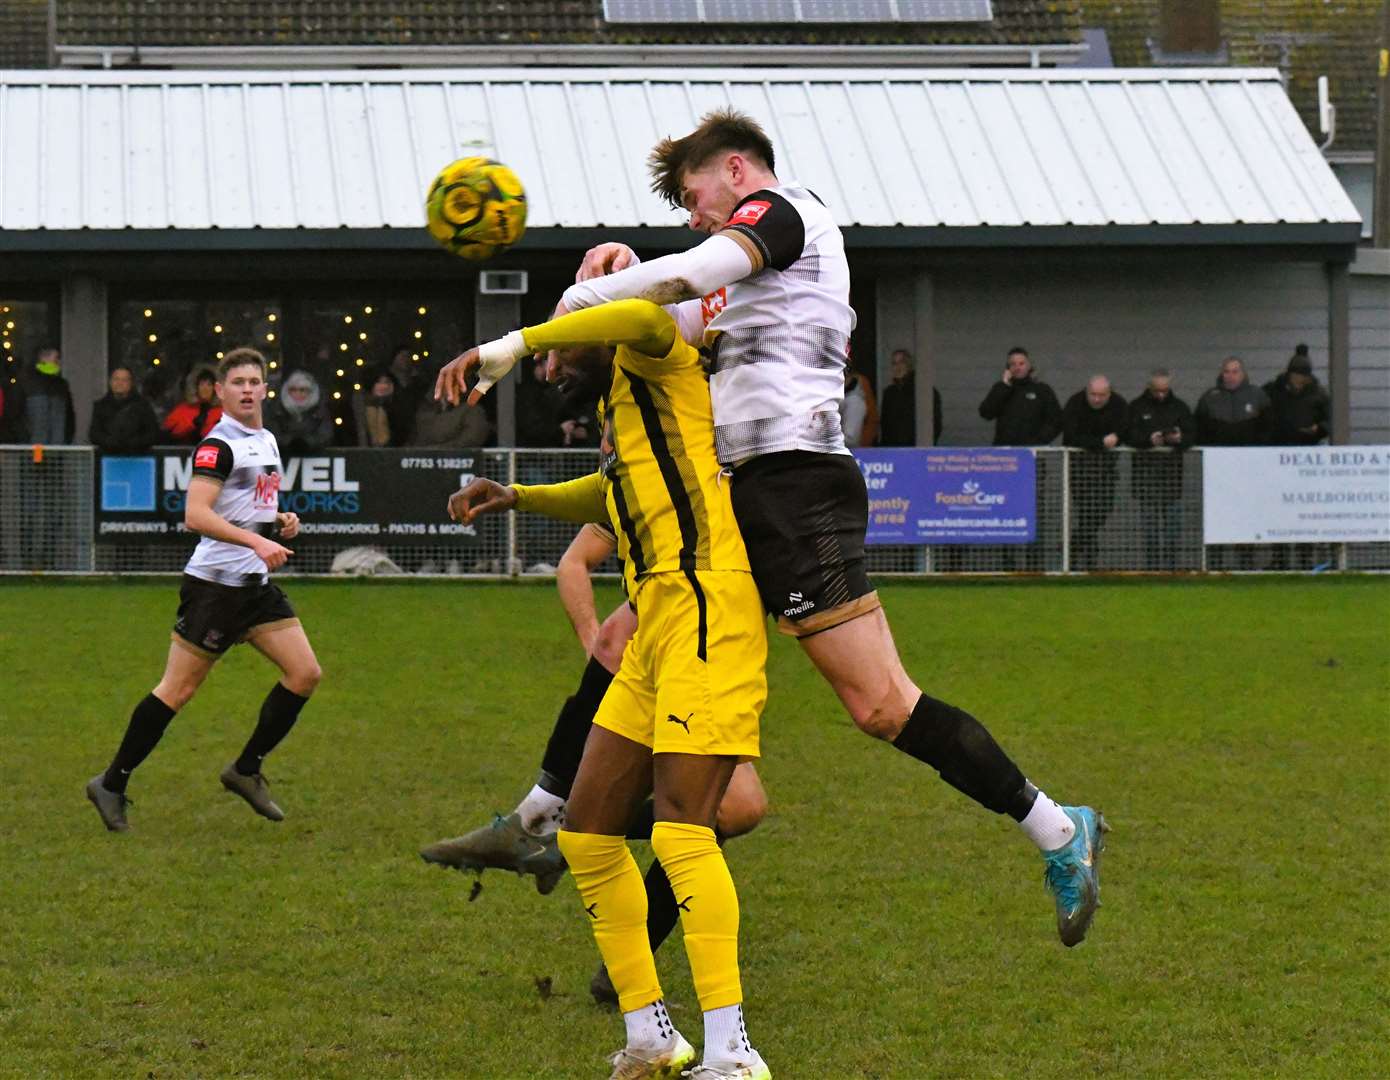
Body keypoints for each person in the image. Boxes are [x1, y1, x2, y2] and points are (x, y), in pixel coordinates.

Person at [438, 108, 1106, 955]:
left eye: (693, 193)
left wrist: (549, 317)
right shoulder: (735, 283)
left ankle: (1057, 828)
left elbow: (678, 279)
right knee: (621, 641)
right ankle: (544, 822)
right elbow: (659, 319)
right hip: (743, 495)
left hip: (797, 487)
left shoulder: (788, 215)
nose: (692, 213)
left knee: (881, 705)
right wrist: (617, 275)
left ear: (739, 171)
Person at [440, 298, 773, 1080]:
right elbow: (613, 495)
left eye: (563, 347)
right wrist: (520, 497)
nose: (554, 367)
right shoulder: (625, 414)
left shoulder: (658, 351)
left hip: (707, 604)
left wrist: (512, 345)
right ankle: (652, 1036)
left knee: (686, 831)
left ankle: (732, 1051)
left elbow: (641, 314)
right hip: (658, 616)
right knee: (587, 835)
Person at [421, 521, 768, 1009]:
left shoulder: (699, 476)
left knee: (737, 810)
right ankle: (549, 835)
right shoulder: (636, 472)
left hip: (704, 649)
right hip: (676, 665)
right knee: (721, 813)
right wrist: (595, 646)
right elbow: (575, 564)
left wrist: (524, 499)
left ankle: (550, 834)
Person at [85, 348, 322, 832]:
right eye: (238, 382)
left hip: (253, 587)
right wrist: (257, 540)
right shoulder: (218, 445)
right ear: (219, 391)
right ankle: (111, 783)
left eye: (255, 381)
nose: (248, 389)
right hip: (214, 588)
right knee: (178, 690)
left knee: (305, 673)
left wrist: (278, 520)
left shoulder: (268, 439)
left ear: (265, 388)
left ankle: (246, 769)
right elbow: (197, 515)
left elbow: (246, 504)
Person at [1195, 356, 1269, 569]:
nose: (1231, 375)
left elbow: (1268, 429)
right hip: (1218, 471)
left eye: (1235, 371)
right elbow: (1200, 429)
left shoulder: (1258, 396)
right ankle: (1215, 564)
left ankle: (1246, 563)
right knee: (1217, 515)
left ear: (1243, 373)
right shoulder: (1210, 398)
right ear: (1222, 373)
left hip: (1250, 470)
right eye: (1227, 371)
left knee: (1246, 515)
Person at [1264, 346, 1331, 569]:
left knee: (1304, 511)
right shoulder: (1273, 391)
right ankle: (1279, 558)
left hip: (1305, 460)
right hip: (1278, 457)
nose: (1301, 380)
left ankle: (1305, 558)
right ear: (1290, 373)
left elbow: (1331, 421)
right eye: (1298, 376)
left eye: (1304, 376)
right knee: (1278, 509)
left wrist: (1318, 429)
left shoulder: (1320, 394)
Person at [1126, 370, 1194, 571]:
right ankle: (1152, 569)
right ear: (1149, 387)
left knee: (1173, 529)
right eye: (1157, 390)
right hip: (1145, 480)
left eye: (1165, 390)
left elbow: (1192, 434)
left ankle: (1172, 569)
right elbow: (1128, 434)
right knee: (1150, 532)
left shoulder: (1180, 407)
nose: (1161, 394)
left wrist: (1179, 439)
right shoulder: (1136, 407)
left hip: (1172, 480)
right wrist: (1149, 440)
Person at [1061, 376, 1128, 572]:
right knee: (1086, 513)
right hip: (1080, 469)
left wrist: (1118, 436)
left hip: (1106, 470)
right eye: (1093, 395)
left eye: (1102, 396)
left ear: (1110, 393)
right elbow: (1071, 435)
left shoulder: (1119, 404)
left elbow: (1126, 428)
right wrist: (1100, 442)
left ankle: (1074, 547)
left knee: (1101, 512)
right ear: (1086, 391)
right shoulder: (1074, 403)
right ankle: (1084, 558)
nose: (1097, 400)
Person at [978, 347, 1062, 448]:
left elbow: (1056, 421)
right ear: (1008, 368)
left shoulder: (1042, 390)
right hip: (1005, 454)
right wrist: (1004, 386)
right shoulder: (1001, 388)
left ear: (1029, 366)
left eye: (1021, 363)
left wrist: (1038, 442)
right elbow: (986, 413)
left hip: (1033, 453)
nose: (1017, 367)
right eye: (1013, 364)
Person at [88, 366, 164, 454]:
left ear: (131, 383)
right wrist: (110, 442)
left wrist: (133, 443)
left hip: (137, 458)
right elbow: (94, 434)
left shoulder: (143, 406)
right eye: (116, 379)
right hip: (108, 458)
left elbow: (153, 434)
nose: (119, 383)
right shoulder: (100, 406)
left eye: (124, 380)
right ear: (110, 382)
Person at [878, 348, 942, 447]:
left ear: (909, 365)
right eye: (894, 363)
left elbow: (935, 425)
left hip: (917, 450)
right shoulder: (889, 394)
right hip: (892, 452)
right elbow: (885, 425)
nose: (898, 367)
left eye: (901, 362)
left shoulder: (924, 392)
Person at [264, 369, 335, 454]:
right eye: (293, 390)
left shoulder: (320, 411)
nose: (298, 394)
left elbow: (325, 435)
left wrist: (307, 443)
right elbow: (271, 434)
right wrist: (289, 443)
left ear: (310, 392)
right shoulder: (276, 410)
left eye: (303, 390)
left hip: (313, 458)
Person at [23, 346, 75, 444]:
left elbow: (69, 417)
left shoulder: (61, 384)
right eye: (56, 358)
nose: (59, 362)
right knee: (37, 459)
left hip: (54, 446)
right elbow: (17, 414)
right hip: (36, 446)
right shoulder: (27, 382)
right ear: (43, 358)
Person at [162, 368, 222, 444]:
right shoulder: (182, 410)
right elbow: (169, 432)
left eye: (209, 385)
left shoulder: (222, 412)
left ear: (215, 388)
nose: (205, 388)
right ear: (196, 387)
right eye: (202, 384)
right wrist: (192, 425)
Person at [355, 368, 412, 447]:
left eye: (387, 382)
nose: (383, 386)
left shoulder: (400, 408)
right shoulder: (360, 406)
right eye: (378, 382)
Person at [839, 364, 878, 448]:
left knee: (855, 401)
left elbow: (872, 419)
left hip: (853, 444)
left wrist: (864, 444)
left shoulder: (860, 384)